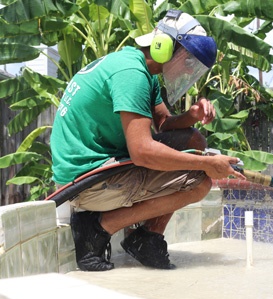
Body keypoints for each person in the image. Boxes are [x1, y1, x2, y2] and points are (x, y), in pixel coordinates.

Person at [50, 10, 244, 272]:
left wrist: (191, 115)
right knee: (199, 183)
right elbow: (142, 151)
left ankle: (147, 239)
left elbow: (162, 123)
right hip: (86, 183)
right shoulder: (131, 74)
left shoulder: (140, 69)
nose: (188, 68)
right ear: (163, 45)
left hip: (99, 169)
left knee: (194, 139)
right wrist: (207, 164)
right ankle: (96, 229)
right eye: (188, 60)